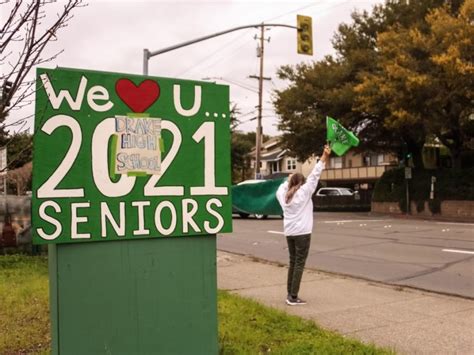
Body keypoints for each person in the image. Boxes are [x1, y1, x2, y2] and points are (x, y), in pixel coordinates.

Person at [276, 145, 331, 305]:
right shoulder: (304, 192)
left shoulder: (283, 195)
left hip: (289, 233)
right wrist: (324, 156)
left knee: (293, 261)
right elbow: (315, 174)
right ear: (301, 183)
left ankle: (289, 293)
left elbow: (281, 186)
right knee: (299, 262)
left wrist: (288, 181)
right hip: (302, 233)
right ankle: (293, 296)